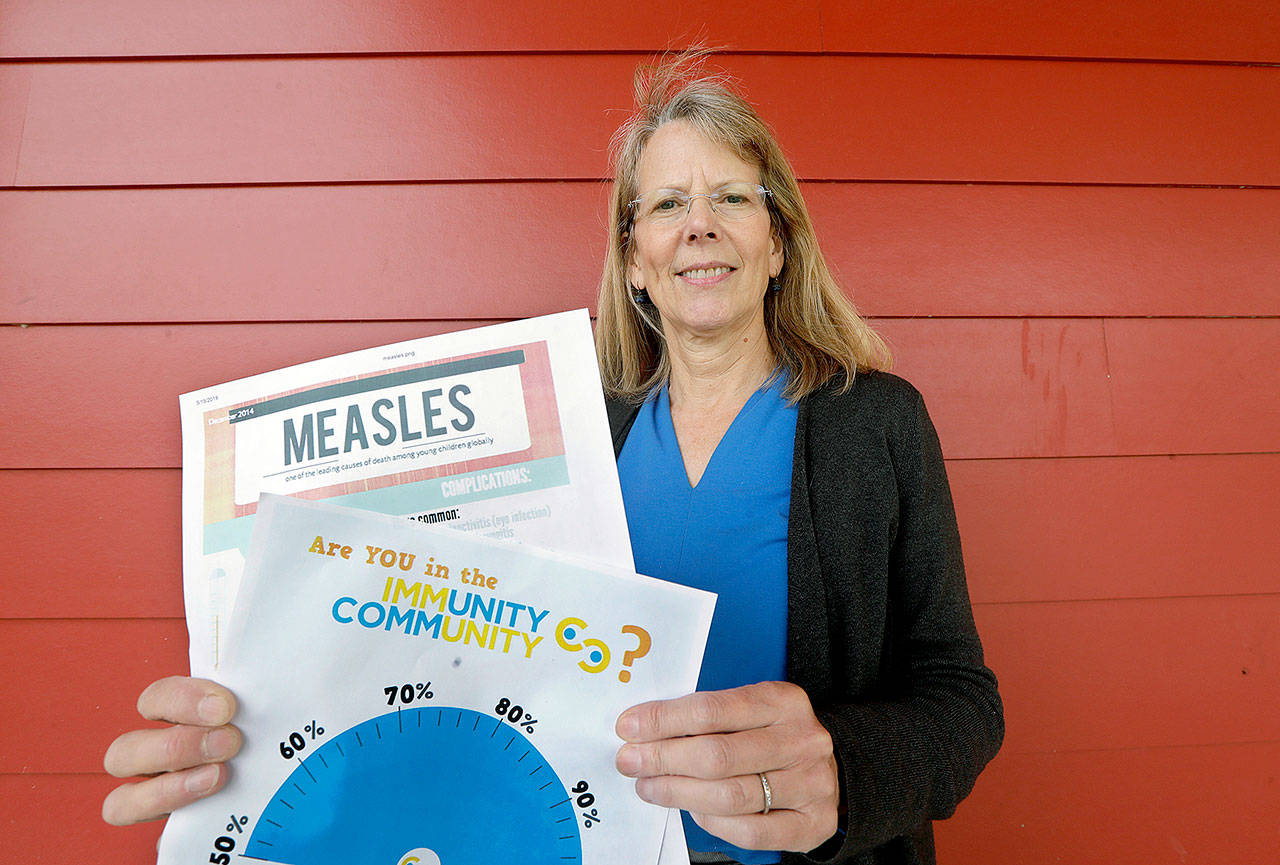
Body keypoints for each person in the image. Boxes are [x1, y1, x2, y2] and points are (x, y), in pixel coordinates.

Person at [103, 52, 1002, 865]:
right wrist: (263, 728)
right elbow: (454, 646)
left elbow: (962, 697)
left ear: (777, 244)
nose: (700, 225)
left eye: (733, 197)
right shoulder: (571, 434)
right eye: (665, 204)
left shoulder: (875, 423)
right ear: (636, 262)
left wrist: (849, 772)